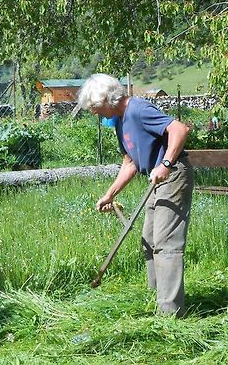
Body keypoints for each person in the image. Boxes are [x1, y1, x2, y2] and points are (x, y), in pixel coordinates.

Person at [77, 73, 194, 317]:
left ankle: (170, 313)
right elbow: (130, 162)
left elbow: (179, 129)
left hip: (172, 175)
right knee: (148, 241)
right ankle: (156, 297)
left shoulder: (138, 109)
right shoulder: (119, 121)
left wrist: (165, 163)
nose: (94, 113)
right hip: (156, 179)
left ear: (106, 99)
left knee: (166, 243)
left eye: (95, 107)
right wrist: (110, 194)